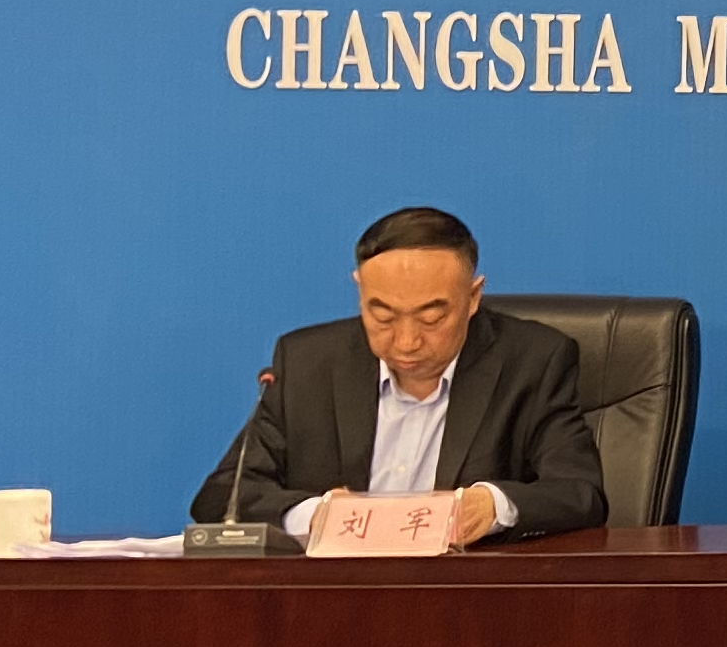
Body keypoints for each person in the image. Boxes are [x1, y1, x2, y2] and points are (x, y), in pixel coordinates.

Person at [190, 204, 606, 538]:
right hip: (335, 593)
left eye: (431, 317)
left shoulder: (533, 361)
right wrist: (314, 514)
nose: (406, 342)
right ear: (360, 289)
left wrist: (494, 505)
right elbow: (223, 496)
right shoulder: (307, 363)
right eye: (383, 315)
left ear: (473, 297)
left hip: (467, 594)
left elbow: (580, 492)